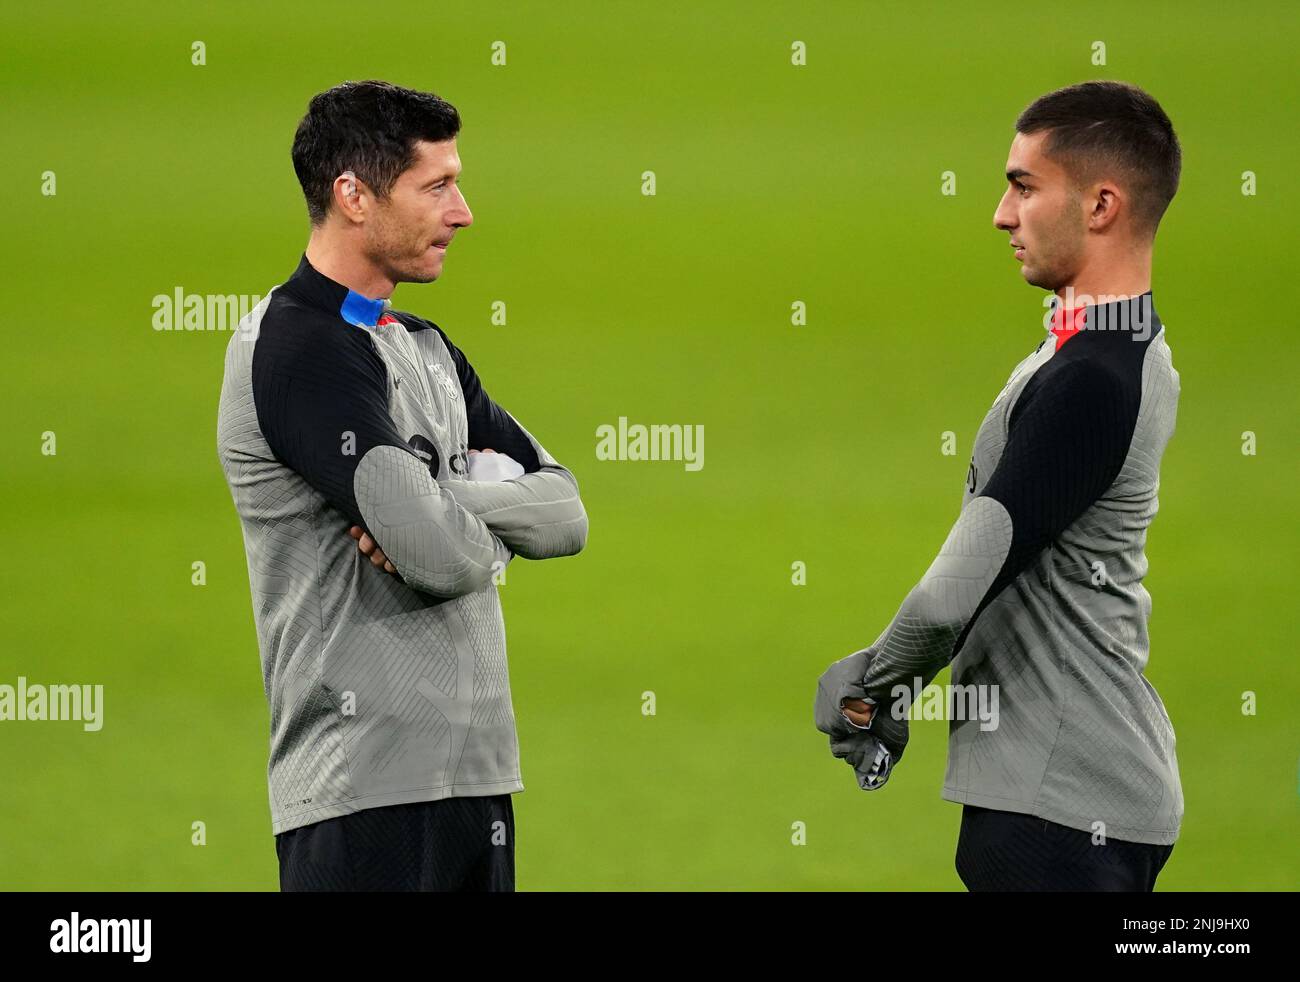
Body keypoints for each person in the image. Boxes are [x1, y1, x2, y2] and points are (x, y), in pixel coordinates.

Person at [217, 80, 588, 891]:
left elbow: (565, 512)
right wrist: (463, 522)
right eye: (437, 186)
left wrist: (440, 501)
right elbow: (438, 559)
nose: (463, 212)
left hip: (478, 778)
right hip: (362, 792)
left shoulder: (423, 346)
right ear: (353, 195)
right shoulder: (298, 348)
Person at [815, 80, 1183, 891]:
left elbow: (953, 594)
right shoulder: (1121, 347)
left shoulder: (1090, 380)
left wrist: (875, 687)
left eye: (1023, 187)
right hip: (1084, 787)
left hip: (1060, 808)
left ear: (1101, 205)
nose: (1000, 214)